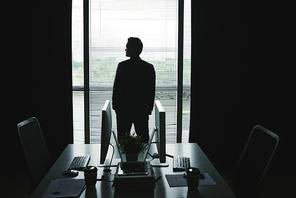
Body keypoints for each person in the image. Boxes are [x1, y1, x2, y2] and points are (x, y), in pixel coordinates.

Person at [112, 37, 156, 143]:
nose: (125, 50)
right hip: (141, 109)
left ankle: (124, 159)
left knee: (123, 140)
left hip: (124, 109)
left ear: (131, 49)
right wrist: (149, 108)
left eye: (126, 48)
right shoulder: (149, 67)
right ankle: (143, 159)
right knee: (143, 139)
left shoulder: (122, 66)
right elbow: (151, 91)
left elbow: (117, 88)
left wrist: (116, 107)